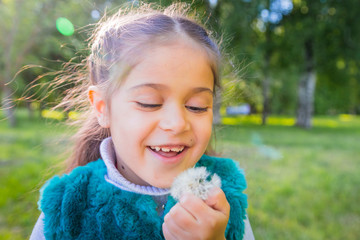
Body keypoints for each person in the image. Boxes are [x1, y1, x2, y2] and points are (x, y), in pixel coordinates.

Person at [30, 3, 255, 240]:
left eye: (196, 106)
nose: (177, 123)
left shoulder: (221, 201)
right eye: (149, 103)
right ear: (102, 107)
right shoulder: (64, 209)